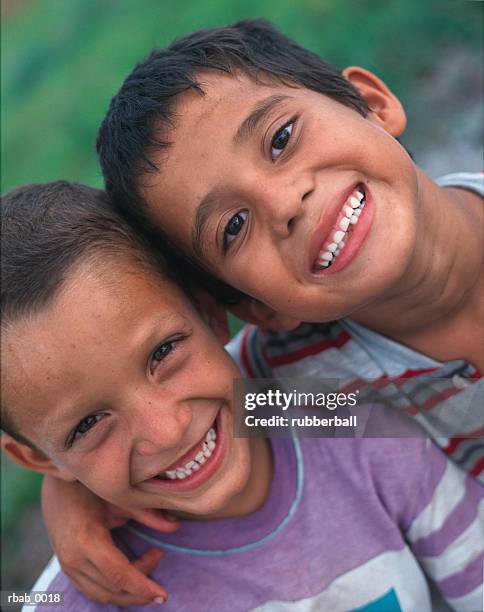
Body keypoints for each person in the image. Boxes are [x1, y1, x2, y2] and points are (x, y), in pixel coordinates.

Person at [1, 181, 482, 611]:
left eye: (164, 352)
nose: (165, 431)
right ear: (36, 457)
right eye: (87, 424)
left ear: (211, 314)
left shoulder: (341, 419)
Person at [93, 19, 483, 476]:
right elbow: (186, 421)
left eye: (281, 139)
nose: (284, 204)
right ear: (259, 309)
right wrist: (78, 496)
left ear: (372, 105)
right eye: (233, 227)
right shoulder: (314, 388)